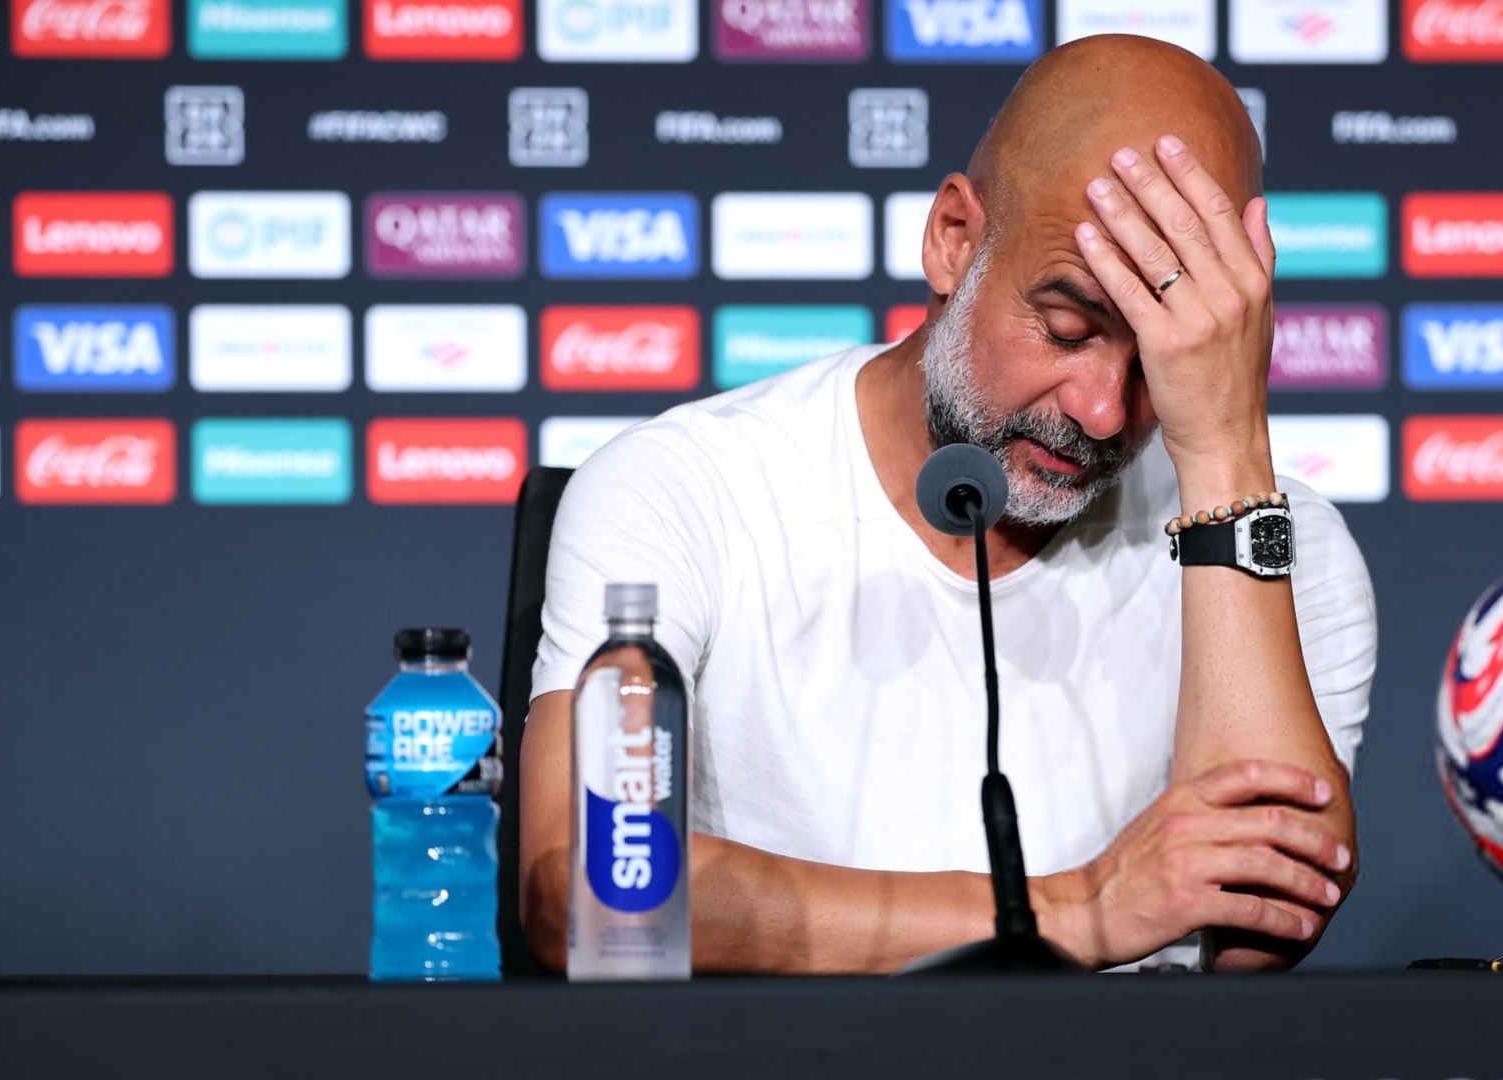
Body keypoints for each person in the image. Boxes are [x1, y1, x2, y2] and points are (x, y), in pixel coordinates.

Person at [519, 33, 1377, 974]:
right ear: (953, 239)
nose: (1100, 409)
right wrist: (1077, 910)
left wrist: (1224, 455)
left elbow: (1256, 938)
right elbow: (584, 889)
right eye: (1067, 328)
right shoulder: (685, 486)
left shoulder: (1275, 538)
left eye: (1162, 359)